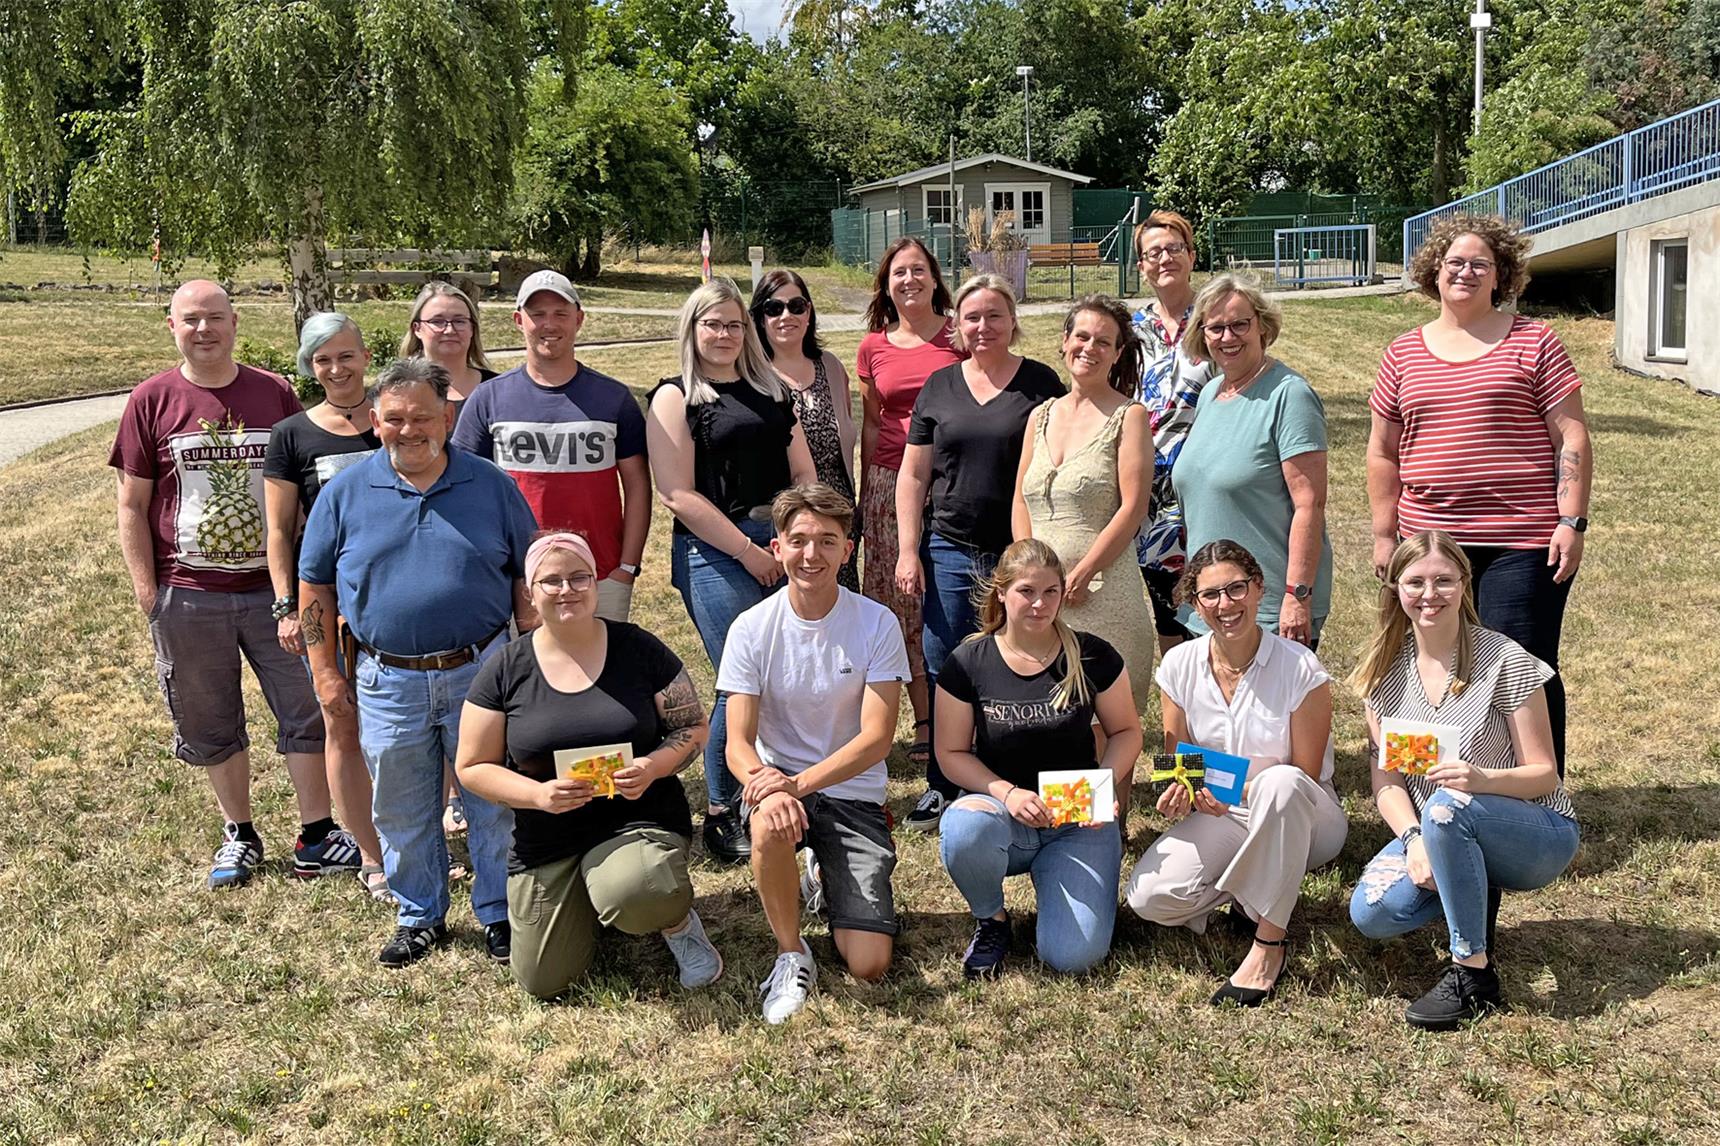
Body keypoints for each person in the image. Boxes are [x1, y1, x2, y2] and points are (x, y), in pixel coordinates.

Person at [298, 357, 539, 968]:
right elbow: (315, 586)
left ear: (447, 418)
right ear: (375, 420)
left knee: (492, 802)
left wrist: (533, 662)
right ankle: (419, 914)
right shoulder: (344, 493)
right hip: (387, 677)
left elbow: (526, 575)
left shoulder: (492, 485)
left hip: (483, 672)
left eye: (423, 418)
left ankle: (498, 912)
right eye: (396, 419)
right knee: (401, 806)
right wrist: (324, 671)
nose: (409, 430)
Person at [110, 279, 344, 890]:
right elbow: (132, 505)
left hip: (276, 592)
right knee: (210, 717)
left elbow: (300, 485)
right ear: (172, 327)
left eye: (215, 317)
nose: (204, 329)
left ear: (235, 322)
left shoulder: (274, 392)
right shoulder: (151, 399)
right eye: (191, 319)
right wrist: (148, 592)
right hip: (189, 592)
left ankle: (317, 833)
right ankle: (239, 831)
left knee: (307, 705)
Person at [455, 532, 724, 998]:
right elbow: (473, 766)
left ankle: (676, 924)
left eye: (579, 577)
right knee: (544, 980)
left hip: (636, 818)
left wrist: (653, 767)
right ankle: (593, 895)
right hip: (548, 835)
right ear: (529, 592)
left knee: (640, 892)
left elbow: (693, 727)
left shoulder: (638, 648)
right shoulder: (505, 668)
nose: (567, 590)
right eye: (551, 581)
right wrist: (537, 795)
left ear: (596, 583)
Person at [1369, 214, 1592, 772]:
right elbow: (1382, 452)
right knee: (1425, 662)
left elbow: (1570, 435)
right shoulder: (1402, 353)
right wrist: (1383, 535)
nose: (1465, 272)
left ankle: (1536, 796)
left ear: (1501, 275)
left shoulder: (1535, 341)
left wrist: (1572, 521)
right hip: (1429, 543)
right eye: (1454, 262)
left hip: (1521, 541)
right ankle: (1428, 791)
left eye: (1480, 264)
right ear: (1434, 271)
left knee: (1520, 667)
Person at [1348, 531, 1579, 1030]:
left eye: (1444, 581)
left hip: (1537, 829)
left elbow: (1544, 774)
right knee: (1372, 912)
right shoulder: (1383, 674)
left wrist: (1481, 778)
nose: (1429, 594)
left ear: (1464, 584)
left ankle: (1472, 973)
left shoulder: (1505, 659)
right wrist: (1413, 840)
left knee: (1447, 805)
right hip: (1437, 827)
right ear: (1396, 588)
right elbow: (1387, 783)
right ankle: (1468, 877)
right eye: (1415, 582)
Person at [1124, 540, 1347, 1006]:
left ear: (1258, 588)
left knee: (1279, 783)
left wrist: (1233, 790)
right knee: (1149, 897)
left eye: (1236, 589)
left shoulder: (1300, 666)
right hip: (1222, 812)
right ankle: (1255, 892)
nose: (1225, 604)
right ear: (1195, 603)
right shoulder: (1179, 664)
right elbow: (1179, 762)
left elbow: (1305, 774)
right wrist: (1180, 792)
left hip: (1304, 816)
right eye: (1210, 594)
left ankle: (1268, 941)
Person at [718, 484, 910, 1023]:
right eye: (799, 540)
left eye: (827, 541)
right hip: (779, 787)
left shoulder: (877, 622)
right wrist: (769, 786)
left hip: (851, 794)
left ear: (847, 550)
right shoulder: (751, 628)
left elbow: (877, 738)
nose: (812, 554)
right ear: (777, 548)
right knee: (769, 823)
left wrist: (796, 784)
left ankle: (821, 877)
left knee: (869, 963)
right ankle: (791, 952)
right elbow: (738, 743)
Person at [645, 278, 817, 865]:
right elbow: (676, 494)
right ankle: (721, 808)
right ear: (692, 330)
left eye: (735, 324)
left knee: (780, 673)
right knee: (739, 679)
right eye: (712, 324)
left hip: (782, 541)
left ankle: (776, 785)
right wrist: (747, 550)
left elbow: (803, 472)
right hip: (714, 550)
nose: (724, 334)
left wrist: (793, 539)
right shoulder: (675, 397)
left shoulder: (770, 390)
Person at [895, 274, 1065, 831]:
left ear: (1013, 321)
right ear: (957, 326)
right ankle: (943, 783)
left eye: (995, 315)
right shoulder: (939, 386)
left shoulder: (1041, 383)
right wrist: (908, 549)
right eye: (972, 317)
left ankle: (1023, 772)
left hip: (1021, 554)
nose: (983, 326)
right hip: (949, 545)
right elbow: (913, 475)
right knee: (948, 662)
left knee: (1026, 659)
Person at [935, 539, 1141, 977]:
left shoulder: (1092, 655)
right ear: (1001, 592)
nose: (1039, 604)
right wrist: (1007, 794)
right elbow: (950, 752)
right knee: (964, 828)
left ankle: (1063, 878)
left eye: (1050, 592)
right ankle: (992, 919)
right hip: (1003, 815)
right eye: (1026, 591)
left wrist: (1100, 787)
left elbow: (1126, 732)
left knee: (1072, 959)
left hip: (1076, 822)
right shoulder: (968, 661)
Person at [263, 311, 388, 898]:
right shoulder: (292, 434)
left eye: (345, 355)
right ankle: (371, 855)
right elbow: (279, 531)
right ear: (309, 367)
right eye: (322, 359)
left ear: (366, 357)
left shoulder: (393, 418)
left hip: (398, 596)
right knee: (342, 719)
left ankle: (417, 836)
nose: (336, 369)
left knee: (407, 725)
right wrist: (285, 605)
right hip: (330, 602)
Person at [453, 269, 650, 623]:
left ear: (579, 319)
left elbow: (637, 486)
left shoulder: (614, 398)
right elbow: (463, 488)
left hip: (600, 574)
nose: (549, 324)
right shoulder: (488, 398)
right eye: (537, 314)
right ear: (519, 321)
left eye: (560, 313)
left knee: (603, 660)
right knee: (529, 661)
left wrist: (626, 567)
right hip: (520, 577)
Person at [1173, 274, 1333, 647]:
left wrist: (1297, 595)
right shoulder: (1211, 393)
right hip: (1212, 602)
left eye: (1239, 324)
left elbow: (1310, 505)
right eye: (1216, 328)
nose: (1227, 337)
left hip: (1268, 608)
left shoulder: (1289, 395)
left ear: (1262, 325)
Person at [1013, 294, 1154, 714]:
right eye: (1082, 336)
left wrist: (1082, 574)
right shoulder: (1040, 416)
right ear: (1065, 340)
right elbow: (1020, 499)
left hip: (1099, 594)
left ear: (1117, 354)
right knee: (1043, 720)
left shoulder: (1130, 416)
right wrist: (1027, 572)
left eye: (1103, 342)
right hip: (1040, 603)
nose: (1090, 347)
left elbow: (1133, 508)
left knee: (1105, 724)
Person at [857, 238, 963, 771]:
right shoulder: (873, 347)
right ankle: (923, 720)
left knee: (944, 596)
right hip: (888, 483)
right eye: (899, 272)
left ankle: (960, 713)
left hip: (950, 481)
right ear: (886, 284)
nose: (909, 280)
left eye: (918, 270)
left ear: (935, 278)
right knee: (900, 602)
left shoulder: (959, 335)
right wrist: (865, 494)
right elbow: (872, 423)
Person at [1130, 211, 1220, 652]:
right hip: (1150, 494)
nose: (1164, 258)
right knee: (1168, 616)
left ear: (1191, 256)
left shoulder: (1217, 320)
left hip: (1207, 485)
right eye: (1154, 253)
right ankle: (1181, 688)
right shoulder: (1131, 331)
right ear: (1141, 266)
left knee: (1215, 602)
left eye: (1174, 249)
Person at [752, 269, 860, 590]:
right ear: (760, 318)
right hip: (788, 524)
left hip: (837, 517)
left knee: (839, 607)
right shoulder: (754, 377)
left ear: (809, 312)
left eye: (796, 306)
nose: (786, 315)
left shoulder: (831, 367)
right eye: (774, 308)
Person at [399, 281, 497, 422]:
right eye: (437, 321)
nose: (450, 330)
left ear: (472, 328)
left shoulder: (499, 389)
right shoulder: (395, 390)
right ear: (417, 329)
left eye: (459, 321)